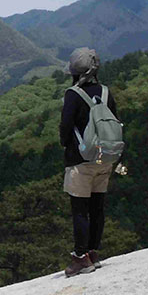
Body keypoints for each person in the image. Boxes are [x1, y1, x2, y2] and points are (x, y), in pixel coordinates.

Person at [59, 47, 121, 277]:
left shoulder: (73, 94)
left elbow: (65, 128)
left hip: (81, 160)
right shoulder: (105, 92)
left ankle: (80, 257)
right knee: (97, 207)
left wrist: (66, 145)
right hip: (105, 157)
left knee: (80, 210)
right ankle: (93, 253)